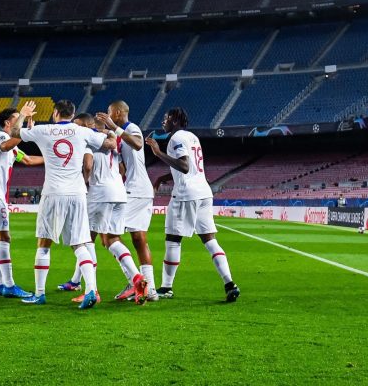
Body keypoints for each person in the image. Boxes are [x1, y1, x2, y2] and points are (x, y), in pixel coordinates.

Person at [11, 100, 116, 309]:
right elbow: (111, 144)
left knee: (44, 244)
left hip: (53, 193)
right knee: (80, 244)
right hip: (77, 193)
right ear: (73, 113)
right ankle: (91, 291)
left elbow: (15, 133)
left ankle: (39, 293)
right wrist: (111, 129)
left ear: (55, 113)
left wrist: (23, 114)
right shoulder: (81, 131)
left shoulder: (44, 130)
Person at [146, 107, 240, 303]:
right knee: (210, 240)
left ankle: (166, 287)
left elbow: (185, 166)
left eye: (166, 117)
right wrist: (164, 177)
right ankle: (229, 283)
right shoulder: (192, 137)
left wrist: (157, 152)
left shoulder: (176, 138)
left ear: (174, 119)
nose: (163, 121)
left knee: (173, 239)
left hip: (186, 195)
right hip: (204, 192)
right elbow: (192, 169)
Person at [59, 114, 148, 305]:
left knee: (85, 240)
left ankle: (93, 290)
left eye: (77, 125)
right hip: (118, 193)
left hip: (98, 193)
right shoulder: (112, 139)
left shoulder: (88, 138)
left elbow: (88, 165)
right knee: (111, 240)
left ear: (86, 125)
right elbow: (122, 169)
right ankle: (136, 278)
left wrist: (84, 182)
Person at [0, 105, 44, 298]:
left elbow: (29, 160)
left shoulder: (12, 145)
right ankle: (9, 285)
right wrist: (24, 121)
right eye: (18, 119)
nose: (21, 122)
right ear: (8, 123)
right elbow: (6, 145)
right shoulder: (2, 137)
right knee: (4, 237)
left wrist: (53, 157)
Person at [96, 101, 158, 302]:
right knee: (139, 240)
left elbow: (139, 144)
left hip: (134, 190)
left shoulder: (131, 129)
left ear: (118, 112)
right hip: (139, 189)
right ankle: (150, 290)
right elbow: (123, 168)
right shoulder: (121, 135)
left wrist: (114, 128)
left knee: (107, 237)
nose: (108, 116)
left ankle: (135, 282)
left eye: (109, 113)